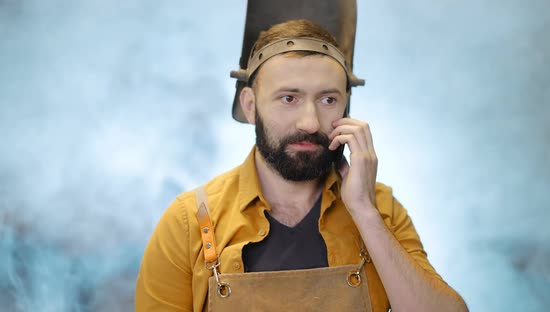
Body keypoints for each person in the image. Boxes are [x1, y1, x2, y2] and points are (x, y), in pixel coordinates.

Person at [136, 19, 468, 311]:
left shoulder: (380, 208)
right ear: (250, 106)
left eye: (328, 100)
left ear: (347, 111)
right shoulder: (188, 222)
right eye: (288, 98)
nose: (310, 122)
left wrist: (365, 213)